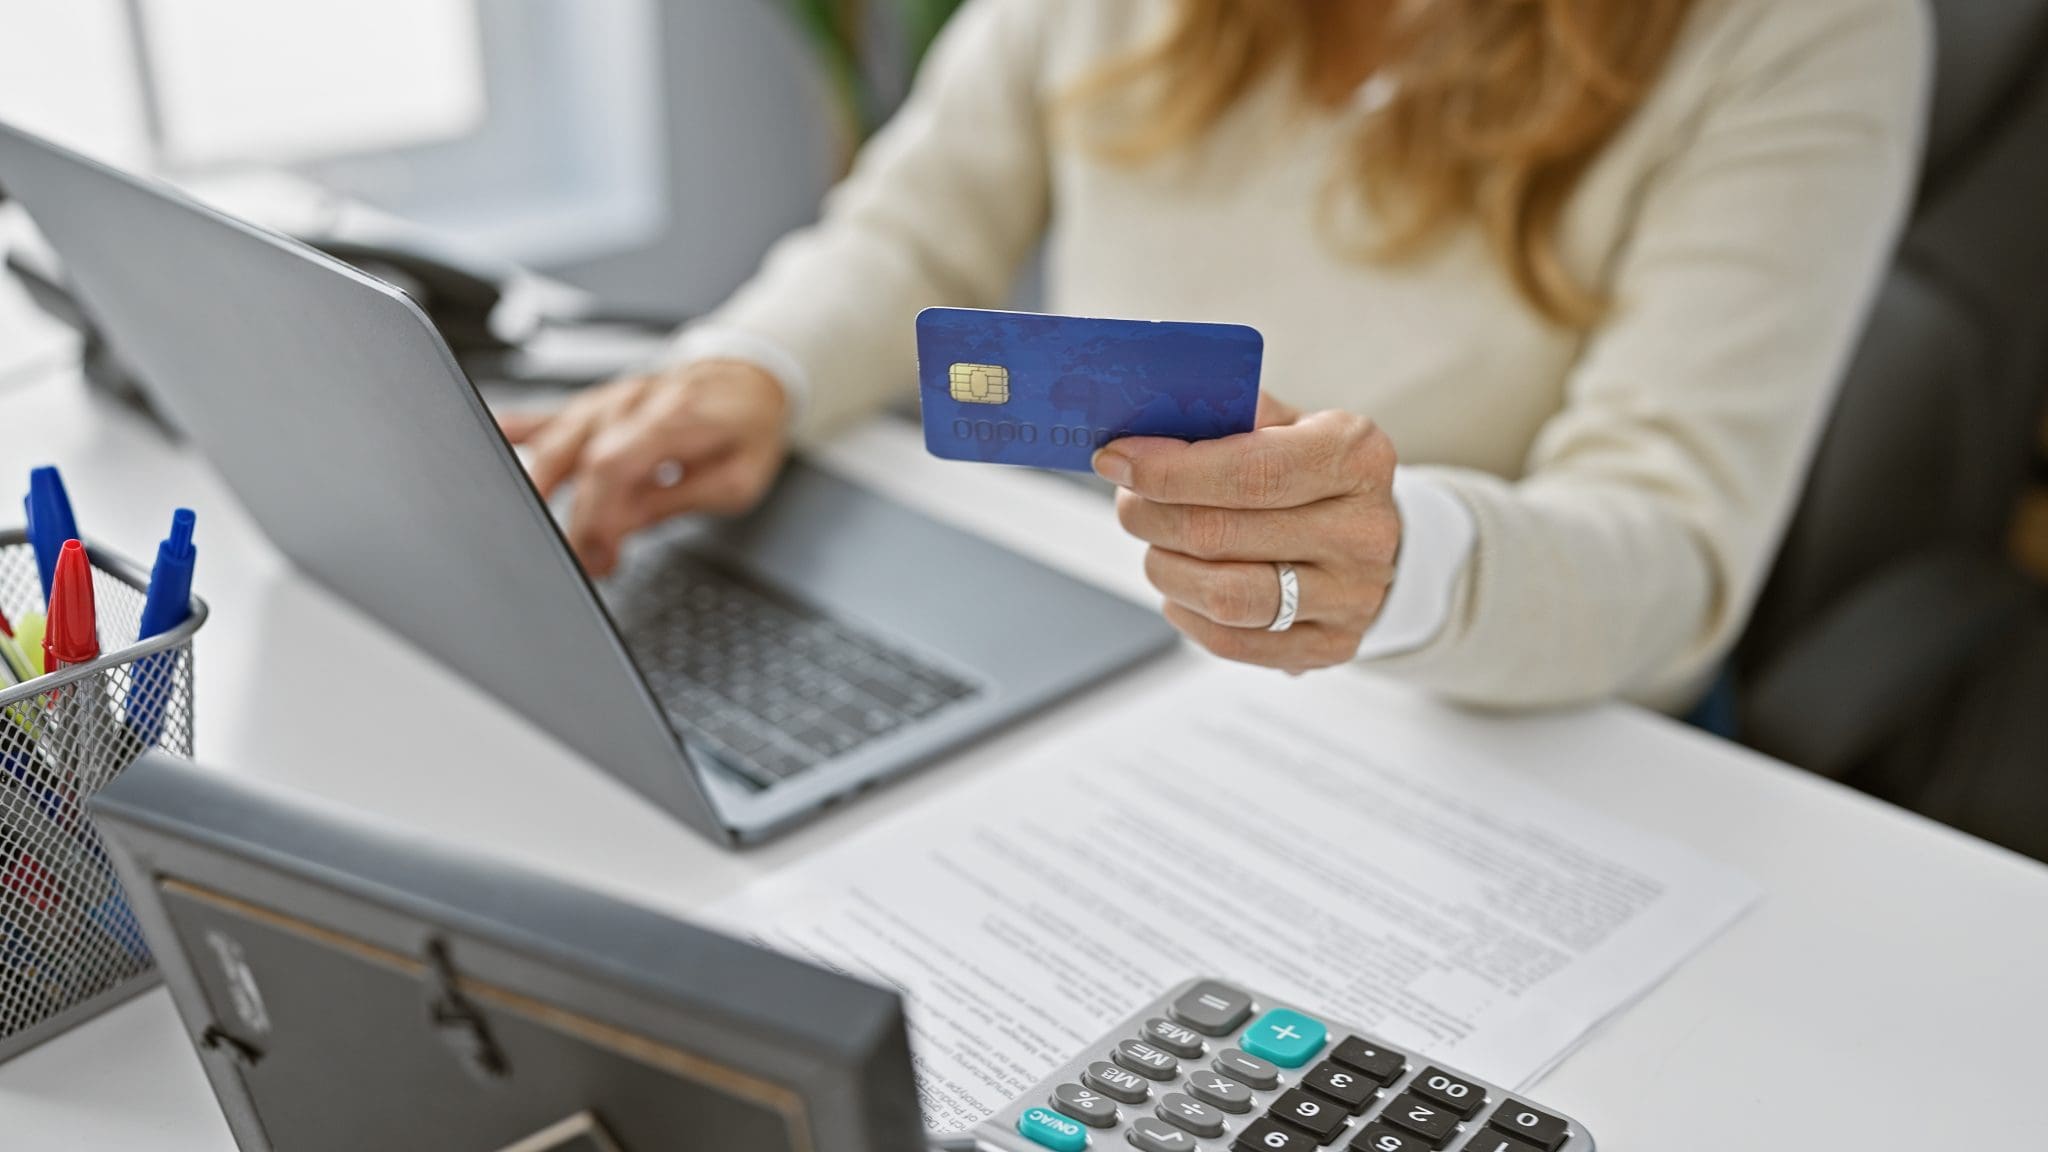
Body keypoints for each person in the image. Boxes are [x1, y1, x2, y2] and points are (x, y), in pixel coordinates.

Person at [501, 0, 1930, 712]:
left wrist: (1399, 563)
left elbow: (1672, 544)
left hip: (1470, 705)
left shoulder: (1810, 32)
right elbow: (917, 230)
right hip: (1109, 657)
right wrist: (757, 366)